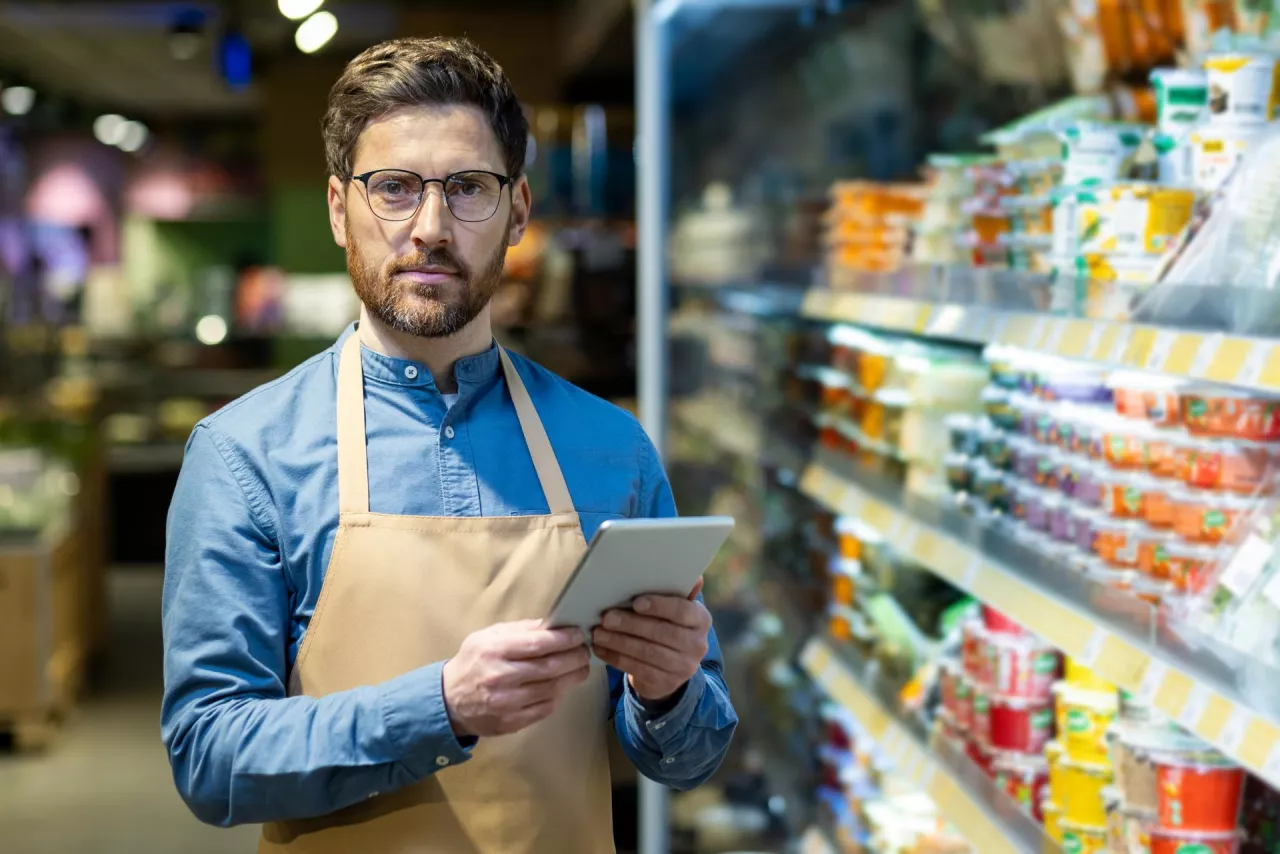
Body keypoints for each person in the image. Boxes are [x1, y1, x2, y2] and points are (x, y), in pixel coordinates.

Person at [159, 36, 738, 853]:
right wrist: (441, 708)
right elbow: (209, 759)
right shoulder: (245, 455)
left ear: (519, 210)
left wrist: (669, 690)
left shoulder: (613, 448)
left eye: (468, 188)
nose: (430, 228)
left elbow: (692, 757)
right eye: (393, 188)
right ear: (337, 208)